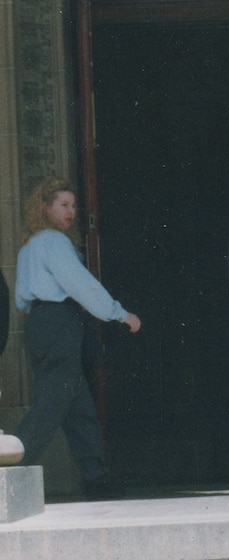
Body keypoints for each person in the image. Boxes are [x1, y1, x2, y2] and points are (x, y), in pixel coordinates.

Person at [14, 177, 141, 494]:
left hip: (40, 323)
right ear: (45, 208)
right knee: (54, 401)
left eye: (73, 205)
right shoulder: (55, 242)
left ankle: (97, 479)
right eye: (63, 205)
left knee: (77, 405)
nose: (71, 212)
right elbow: (80, 285)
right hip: (59, 323)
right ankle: (10, 466)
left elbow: (20, 298)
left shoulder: (30, 246)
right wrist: (119, 313)